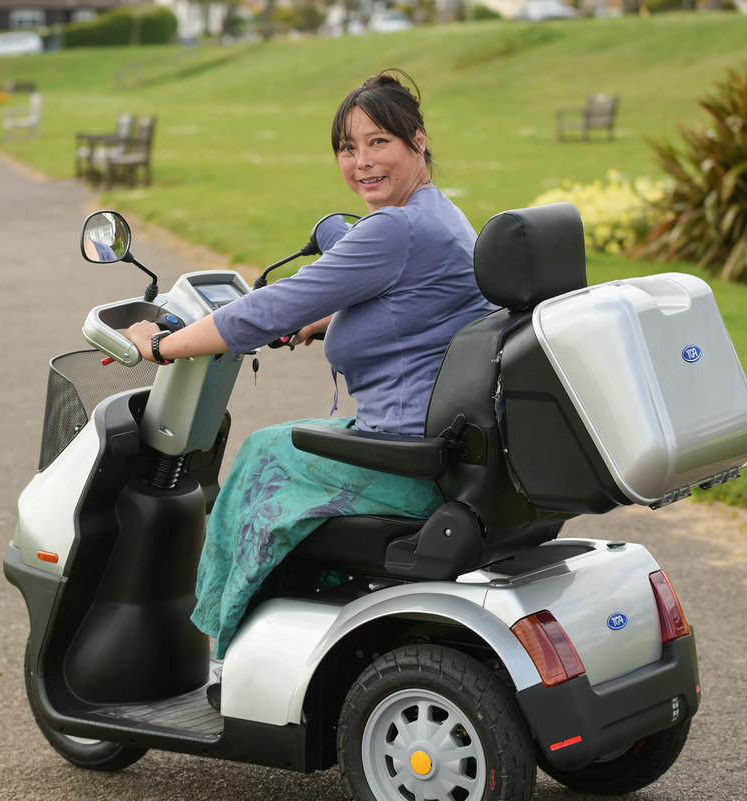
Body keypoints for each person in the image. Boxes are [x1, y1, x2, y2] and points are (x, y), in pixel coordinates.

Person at [126, 68, 496, 660]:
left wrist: (159, 346)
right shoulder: (439, 215)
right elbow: (430, 311)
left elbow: (265, 310)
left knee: (263, 456)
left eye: (379, 142)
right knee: (282, 452)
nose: (362, 163)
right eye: (348, 148)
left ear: (418, 141)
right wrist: (330, 322)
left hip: (406, 461)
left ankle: (225, 648)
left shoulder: (393, 230)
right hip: (442, 444)